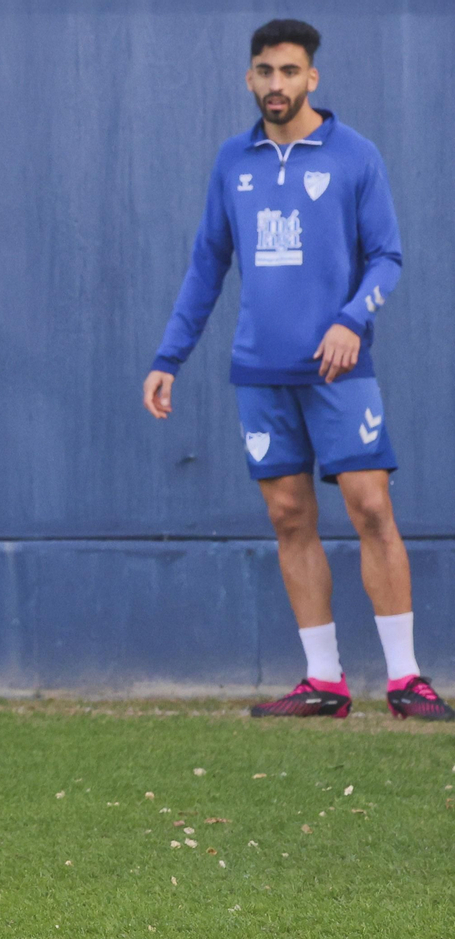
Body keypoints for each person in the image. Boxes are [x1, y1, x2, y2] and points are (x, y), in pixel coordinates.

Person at [144, 19, 450, 720]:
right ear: (249, 79)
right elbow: (206, 267)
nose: (275, 84)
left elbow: (389, 257)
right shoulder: (234, 162)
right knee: (288, 518)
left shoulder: (354, 155)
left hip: (341, 372)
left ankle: (405, 678)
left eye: (288, 71)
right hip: (260, 372)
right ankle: (324, 681)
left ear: (312, 77)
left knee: (372, 507)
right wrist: (169, 358)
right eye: (264, 71)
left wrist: (352, 319)